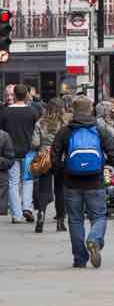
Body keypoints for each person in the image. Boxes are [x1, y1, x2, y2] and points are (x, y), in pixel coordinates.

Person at [53, 95, 114, 269]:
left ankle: (79, 258)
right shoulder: (99, 129)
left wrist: (62, 171)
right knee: (99, 216)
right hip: (95, 181)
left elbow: (54, 155)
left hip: (71, 181)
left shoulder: (65, 130)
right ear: (90, 109)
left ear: (73, 110)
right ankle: (94, 239)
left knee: (75, 219)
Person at [3, 83, 41, 222]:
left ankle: (17, 214)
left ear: (14, 95)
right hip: (29, 152)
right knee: (27, 180)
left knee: (13, 183)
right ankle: (27, 207)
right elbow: (36, 131)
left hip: (11, 152)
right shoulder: (32, 111)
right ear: (26, 95)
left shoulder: (6, 112)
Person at [29, 96, 67, 233]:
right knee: (59, 190)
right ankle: (60, 222)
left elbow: (35, 143)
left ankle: (41, 216)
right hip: (60, 158)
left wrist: (43, 147)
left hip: (44, 158)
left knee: (44, 189)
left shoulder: (40, 123)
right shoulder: (64, 124)